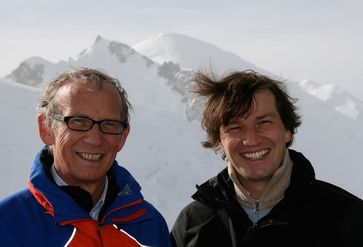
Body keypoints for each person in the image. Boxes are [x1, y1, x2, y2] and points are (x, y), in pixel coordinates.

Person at [171, 70, 363, 247]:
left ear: (287, 130)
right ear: (219, 141)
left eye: (264, 122)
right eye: (235, 128)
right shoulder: (193, 224)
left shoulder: (347, 216)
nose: (251, 140)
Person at [0, 68, 171, 246]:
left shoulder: (149, 224)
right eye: (78, 121)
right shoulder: (7, 226)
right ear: (46, 129)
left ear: (122, 137)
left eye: (109, 124)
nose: (95, 139)